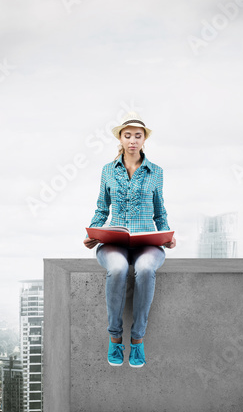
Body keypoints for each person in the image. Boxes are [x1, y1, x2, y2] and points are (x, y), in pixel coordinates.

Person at [83, 113, 176, 368]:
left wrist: (167, 234)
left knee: (145, 269)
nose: (133, 140)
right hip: (115, 242)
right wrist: (93, 231)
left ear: (144, 139)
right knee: (118, 268)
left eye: (138, 135)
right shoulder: (107, 171)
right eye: (128, 135)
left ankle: (137, 340)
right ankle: (115, 338)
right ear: (121, 139)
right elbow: (102, 208)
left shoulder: (156, 172)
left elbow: (160, 211)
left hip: (147, 243)